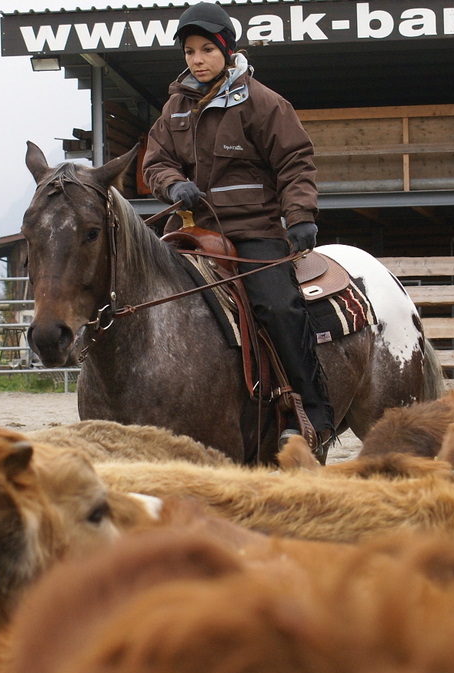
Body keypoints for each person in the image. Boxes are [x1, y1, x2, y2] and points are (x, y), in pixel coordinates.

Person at [142, 1, 334, 453]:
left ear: (226, 50)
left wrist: (300, 217)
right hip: (191, 231)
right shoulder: (174, 108)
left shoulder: (263, 103)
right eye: (189, 51)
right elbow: (155, 161)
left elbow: (295, 162)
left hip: (253, 231)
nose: (197, 60)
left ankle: (314, 410)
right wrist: (172, 184)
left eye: (207, 49)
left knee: (278, 307)